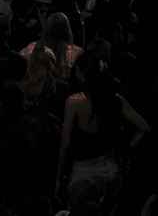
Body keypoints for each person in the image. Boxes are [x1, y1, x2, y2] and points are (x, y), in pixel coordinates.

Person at [56, 73, 150, 207]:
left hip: (83, 174)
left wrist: (59, 178)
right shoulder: (117, 101)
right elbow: (144, 128)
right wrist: (125, 150)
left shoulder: (75, 102)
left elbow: (65, 145)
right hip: (111, 170)